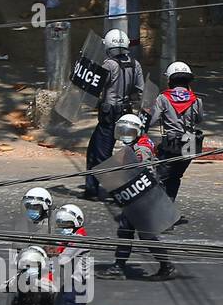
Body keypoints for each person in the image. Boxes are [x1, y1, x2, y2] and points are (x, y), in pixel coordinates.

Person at [106, 112, 177, 281]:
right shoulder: (137, 143)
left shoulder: (141, 149)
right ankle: (120, 265)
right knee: (127, 229)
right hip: (138, 195)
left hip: (142, 196)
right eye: (122, 132)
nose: (125, 136)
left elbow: (142, 172)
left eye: (129, 133)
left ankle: (165, 265)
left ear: (137, 132)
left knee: (144, 233)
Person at [85, 28, 145, 200]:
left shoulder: (109, 64)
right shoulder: (135, 64)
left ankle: (118, 190)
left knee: (102, 153)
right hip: (126, 113)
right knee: (97, 149)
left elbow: (95, 86)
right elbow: (140, 92)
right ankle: (92, 189)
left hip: (108, 115)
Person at [4, 187, 53, 305]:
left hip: (41, 284)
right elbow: (15, 255)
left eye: (36, 207)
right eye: (29, 206)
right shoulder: (21, 225)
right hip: (19, 280)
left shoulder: (52, 228)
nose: (32, 210)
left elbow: (54, 259)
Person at [146, 61, 204, 203]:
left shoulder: (163, 98)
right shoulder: (196, 100)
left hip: (171, 143)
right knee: (175, 177)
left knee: (160, 178)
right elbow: (199, 120)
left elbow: (152, 120)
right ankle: (169, 207)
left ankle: (162, 214)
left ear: (170, 80)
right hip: (190, 143)